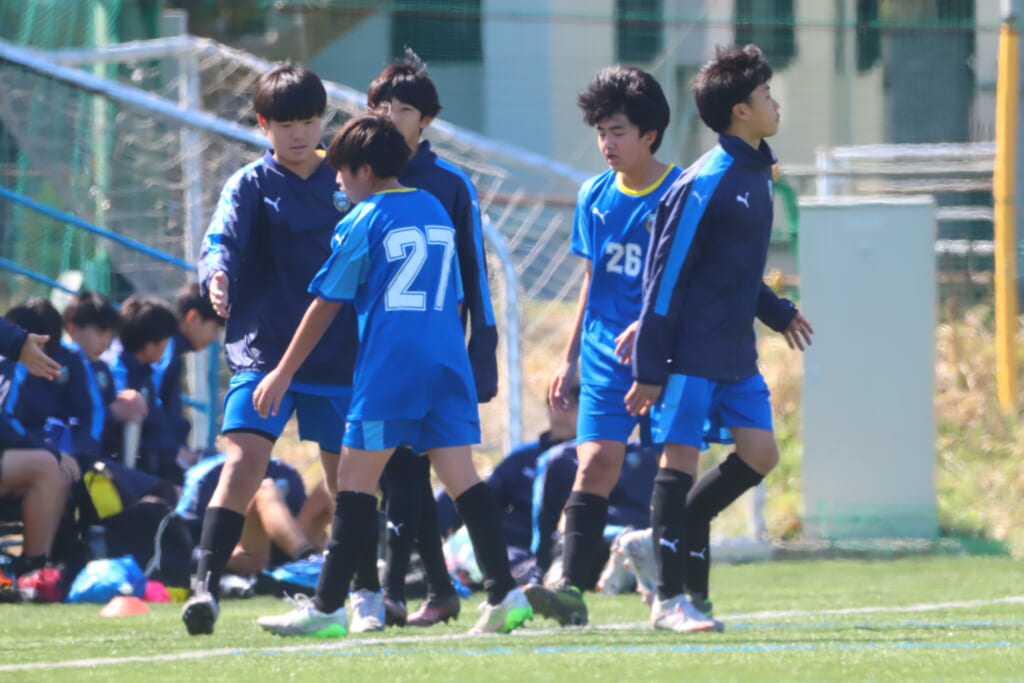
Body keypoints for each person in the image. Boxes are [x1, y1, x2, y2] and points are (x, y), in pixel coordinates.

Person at [253, 114, 531, 638]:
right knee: (462, 478)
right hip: (445, 361)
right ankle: (505, 592)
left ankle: (327, 608)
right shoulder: (433, 208)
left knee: (354, 484)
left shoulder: (364, 218)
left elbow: (325, 304)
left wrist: (283, 371)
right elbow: (455, 294)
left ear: (363, 170)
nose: (337, 183)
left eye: (341, 172)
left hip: (392, 366)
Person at [626, 44, 813, 633]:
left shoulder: (756, 173)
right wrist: (650, 366)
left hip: (734, 352)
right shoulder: (706, 181)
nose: (775, 104)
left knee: (761, 455)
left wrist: (777, 312)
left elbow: (734, 269)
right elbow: (665, 277)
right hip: (688, 353)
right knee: (679, 463)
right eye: (766, 95)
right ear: (740, 111)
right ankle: (670, 599)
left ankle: (663, 541)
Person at [182, 64, 358, 636]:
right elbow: (221, 241)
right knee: (243, 464)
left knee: (346, 479)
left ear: (323, 120)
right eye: (285, 124)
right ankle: (204, 588)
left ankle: (360, 589)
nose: (298, 133)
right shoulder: (250, 185)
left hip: (337, 354)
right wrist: (217, 275)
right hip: (262, 354)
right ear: (263, 125)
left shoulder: (347, 180)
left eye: (308, 121)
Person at [523, 66, 680, 627]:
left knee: (675, 467)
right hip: (603, 355)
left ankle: (673, 586)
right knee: (594, 462)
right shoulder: (594, 195)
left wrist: (653, 327)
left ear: (649, 135)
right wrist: (569, 358)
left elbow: (688, 280)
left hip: (668, 353)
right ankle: (568, 584)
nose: (607, 144)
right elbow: (593, 280)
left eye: (618, 131)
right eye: (601, 133)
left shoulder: (680, 193)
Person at [364, 48, 499, 628]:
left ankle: (404, 589)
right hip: (379, 352)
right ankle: (432, 590)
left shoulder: (449, 184)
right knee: (399, 469)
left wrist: (481, 351)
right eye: (381, 106)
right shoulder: (357, 175)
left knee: (422, 467)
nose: (389, 117)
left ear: (426, 120)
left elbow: (476, 273)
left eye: (402, 109)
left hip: (436, 354)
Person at [435, 382, 580, 591]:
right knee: (455, 491)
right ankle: (417, 547)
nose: (559, 414)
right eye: (554, 405)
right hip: (515, 543)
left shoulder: (599, 462)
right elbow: (483, 498)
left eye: (570, 406)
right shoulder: (523, 457)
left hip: (559, 543)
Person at [0, 315, 79, 588]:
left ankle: (37, 574)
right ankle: (30, 570)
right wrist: (17, 342)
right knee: (46, 466)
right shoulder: (11, 366)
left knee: (55, 470)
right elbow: (5, 422)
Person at [176, 453, 333, 586]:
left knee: (328, 485)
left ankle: (338, 561)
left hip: (287, 552)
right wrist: (222, 557)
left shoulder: (282, 470)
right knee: (265, 487)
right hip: (249, 554)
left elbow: (296, 522)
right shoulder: (207, 473)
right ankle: (309, 558)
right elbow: (180, 542)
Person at [1, 299, 97, 462]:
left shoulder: (70, 360)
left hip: (47, 451)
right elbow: (5, 421)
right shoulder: (11, 366)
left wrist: (79, 453)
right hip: (20, 455)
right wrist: (51, 455)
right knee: (49, 469)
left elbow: (90, 412)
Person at [62, 290, 148, 464]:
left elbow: (107, 405)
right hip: (68, 457)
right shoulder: (58, 366)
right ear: (72, 329)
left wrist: (123, 402)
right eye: (100, 333)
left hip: (99, 458)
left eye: (109, 334)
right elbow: (69, 414)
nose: (106, 342)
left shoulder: (101, 368)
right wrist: (113, 412)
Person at [106, 295, 182, 482]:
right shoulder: (115, 370)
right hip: (112, 465)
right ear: (149, 346)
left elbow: (155, 422)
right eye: (165, 341)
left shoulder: (145, 373)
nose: (167, 346)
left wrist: (176, 450)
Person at [152, 283, 224, 469]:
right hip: (158, 455)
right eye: (214, 328)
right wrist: (174, 449)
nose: (213, 338)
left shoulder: (171, 350)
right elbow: (151, 407)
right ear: (193, 317)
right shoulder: (163, 350)